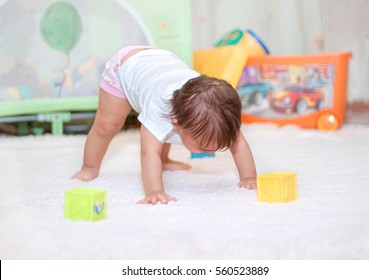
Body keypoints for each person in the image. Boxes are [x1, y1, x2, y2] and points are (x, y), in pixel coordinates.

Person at [72, 45, 257, 204]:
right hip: (126, 68)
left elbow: (239, 144)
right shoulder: (157, 110)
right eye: (203, 147)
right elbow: (148, 153)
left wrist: (249, 178)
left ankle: (165, 160)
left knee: (167, 130)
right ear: (177, 124)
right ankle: (89, 167)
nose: (211, 152)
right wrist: (154, 191)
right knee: (108, 124)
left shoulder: (219, 114)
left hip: (162, 62)